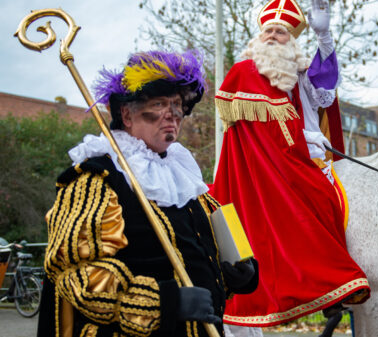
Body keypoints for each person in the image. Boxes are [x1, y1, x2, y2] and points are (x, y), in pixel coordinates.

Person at [36, 50, 258, 337]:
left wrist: (238, 271)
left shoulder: (186, 178)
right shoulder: (96, 178)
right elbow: (77, 276)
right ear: (126, 114)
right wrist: (166, 303)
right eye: (159, 103)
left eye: (177, 105)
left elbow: (214, 243)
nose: (172, 115)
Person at [211, 0, 369, 327]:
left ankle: (333, 286)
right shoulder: (246, 72)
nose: (272, 36)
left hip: (312, 154)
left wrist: (324, 36)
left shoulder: (300, 73)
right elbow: (254, 133)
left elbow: (325, 87)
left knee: (336, 195)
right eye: (267, 30)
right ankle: (332, 281)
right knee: (321, 198)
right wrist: (301, 139)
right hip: (271, 163)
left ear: (293, 40)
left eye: (281, 32)